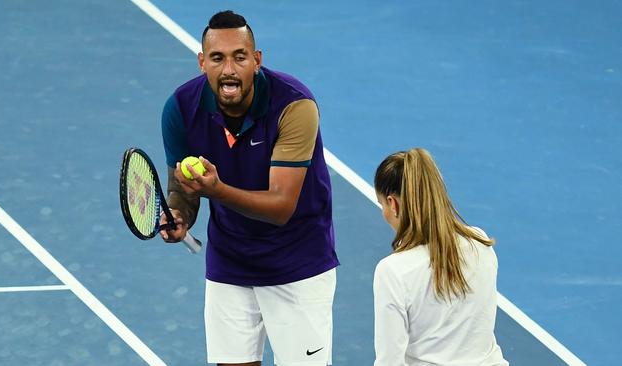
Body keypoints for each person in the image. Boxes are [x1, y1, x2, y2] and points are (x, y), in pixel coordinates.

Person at [158, 10, 339, 366]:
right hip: (231, 262)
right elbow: (182, 189)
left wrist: (218, 190)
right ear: (201, 62)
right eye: (217, 58)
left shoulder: (294, 106)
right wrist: (180, 215)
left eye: (239, 57)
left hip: (297, 264)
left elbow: (281, 206)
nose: (228, 70)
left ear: (256, 60)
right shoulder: (179, 108)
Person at [372, 148, 508, 366]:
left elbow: (389, 362)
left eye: (382, 205)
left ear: (393, 204)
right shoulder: (480, 243)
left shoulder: (393, 271)